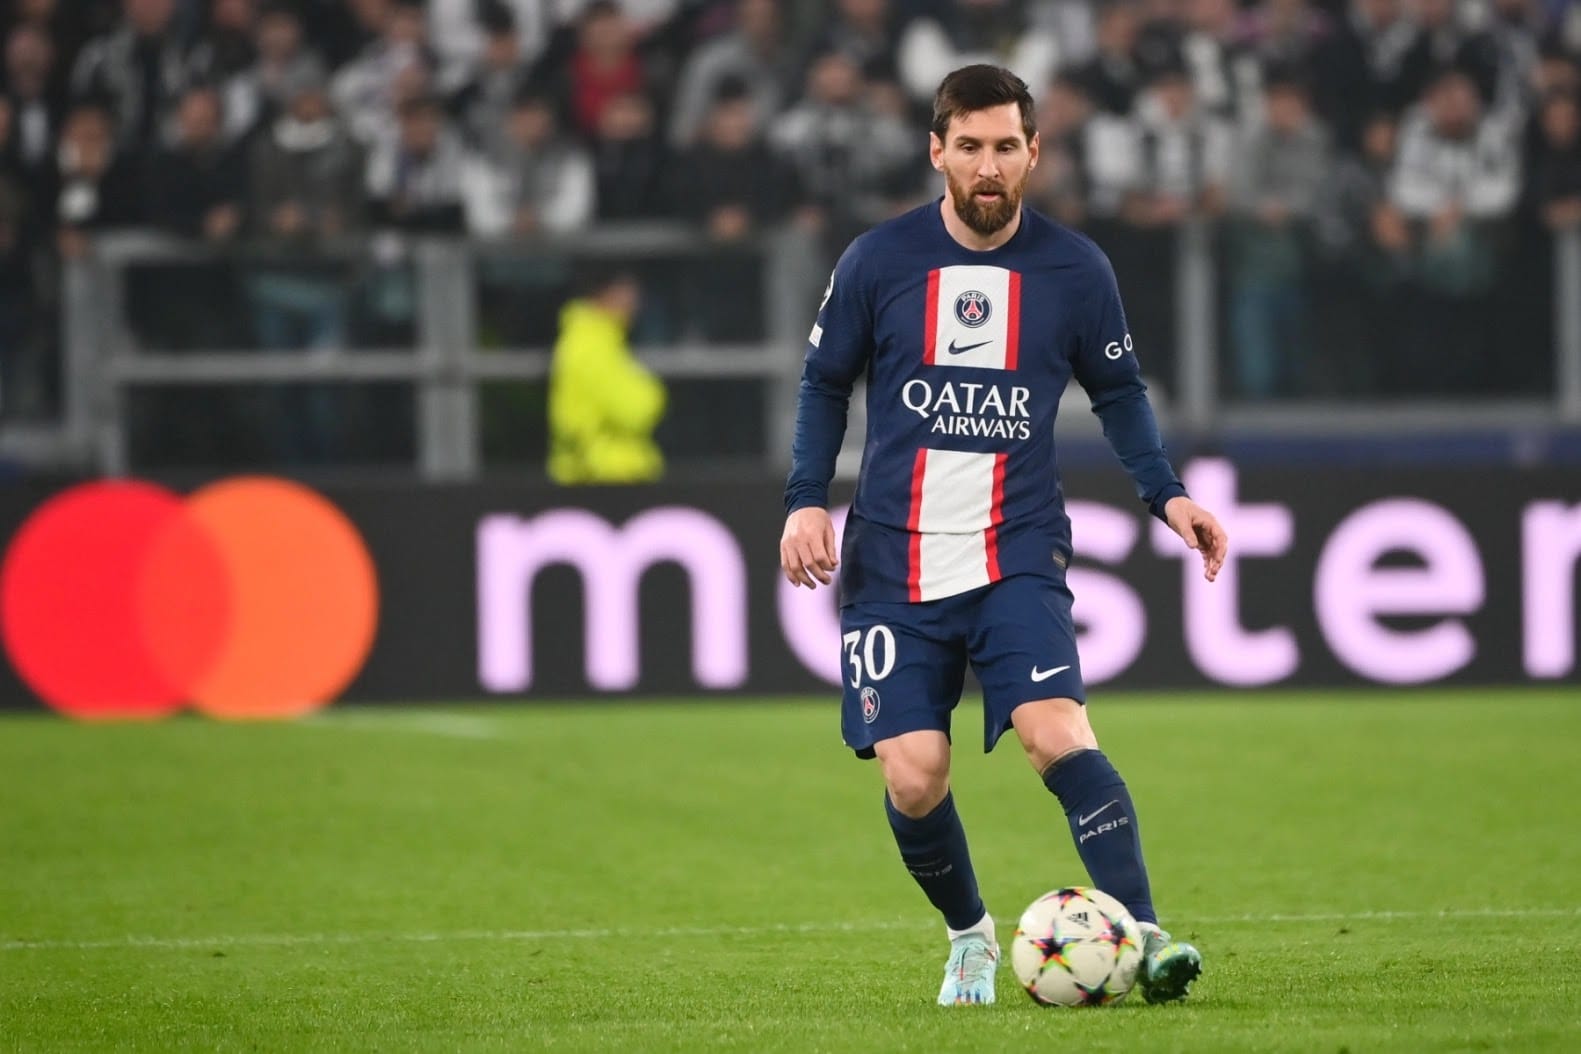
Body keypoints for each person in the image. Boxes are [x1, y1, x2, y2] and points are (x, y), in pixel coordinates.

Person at [778, 64, 1227, 1007]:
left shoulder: (1075, 269)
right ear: (936, 151)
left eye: (1006, 147)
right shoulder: (876, 261)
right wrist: (805, 499)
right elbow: (823, 382)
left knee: (1053, 731)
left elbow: (1118, 391)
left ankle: (1146, 935)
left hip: (1014, 547)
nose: (988, 166)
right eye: (970, 147)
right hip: (892, 557)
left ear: (1034, 154)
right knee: (913, 775)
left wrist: (1167, 495)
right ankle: (969, 937)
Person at [547, 270, 666, 484]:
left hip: (604, 473)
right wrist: (654, 393)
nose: (634, 303)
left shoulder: (600, 340)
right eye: (627, 291)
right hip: (599, 477)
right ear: (606, 293)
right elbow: (635, 409)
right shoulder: (591, 343)